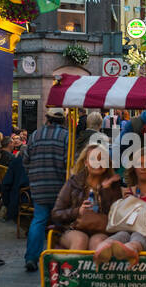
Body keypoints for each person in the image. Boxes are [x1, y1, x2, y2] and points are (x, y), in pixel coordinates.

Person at [94, 144, 146, 266]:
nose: (143, 168)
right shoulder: (125, 191)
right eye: (139, 163)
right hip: (125, 233)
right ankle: (104, 247)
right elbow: (109, 212)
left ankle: (132, 248)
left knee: (137, 235)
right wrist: (107, 188)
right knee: (123, 234)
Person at [52, 143, 123, 253]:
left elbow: (117, 217)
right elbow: (56, 213)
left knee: (98, 242)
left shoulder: (113, 185)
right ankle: (73, 270)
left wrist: (106, 190)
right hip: (73, 229)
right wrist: (77, 211)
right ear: (86, 162)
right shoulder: (74, 183)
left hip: (102, 230)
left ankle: (95, 271)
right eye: (94, 159)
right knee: (80, 240)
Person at [24, 107, 70, 271]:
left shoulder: (35, 135)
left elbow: (26, 160)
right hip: (59, 187)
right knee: (61, 222)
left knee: (38, 220)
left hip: (38, 186)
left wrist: (33, 177)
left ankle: (31, 257)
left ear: (47, 119)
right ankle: (58, 258)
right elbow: (69, 163)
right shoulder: (66, 137)